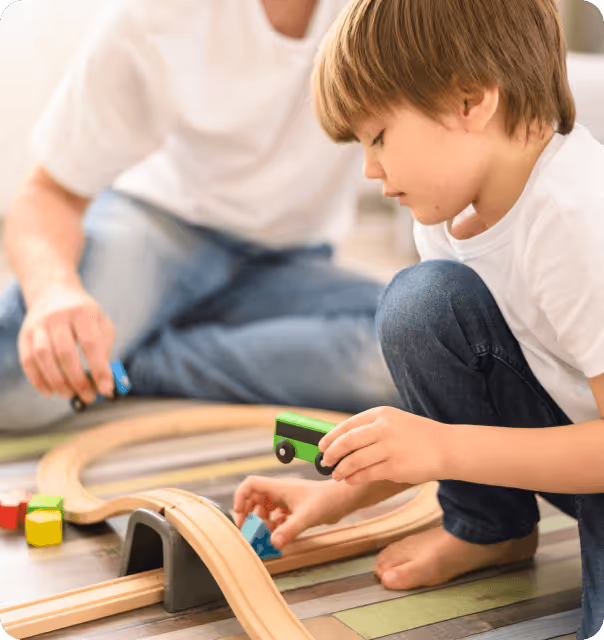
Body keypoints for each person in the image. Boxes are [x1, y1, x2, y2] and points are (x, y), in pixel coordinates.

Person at [232, 1, 604, 638]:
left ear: (469, 102)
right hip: (575, 451)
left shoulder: (575, 218)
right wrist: (334, 498)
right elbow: (441, 417)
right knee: (420, 302)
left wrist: (442, 447)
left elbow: (444, 439)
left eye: (378, 137)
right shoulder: (446, 213)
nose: (371, 170)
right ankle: (489, 529)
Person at [0, 0, 403, 431]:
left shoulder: (389, 14)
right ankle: (123, 354)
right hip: (159, 227)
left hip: (290, 260)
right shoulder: (157, 16)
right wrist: (53, 294)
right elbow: (45, 195)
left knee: (419, 359)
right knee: (20, 387)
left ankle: (132, 367)